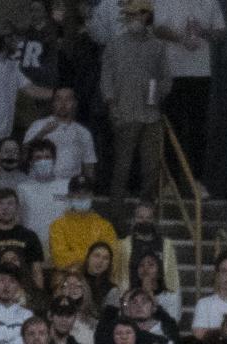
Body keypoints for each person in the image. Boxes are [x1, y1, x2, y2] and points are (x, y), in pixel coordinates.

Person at [99, 2, 169, 203]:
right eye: (128, 15)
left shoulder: (157, 46)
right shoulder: (115, 44)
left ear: (147, 15)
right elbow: (106, 77)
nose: (131, 19)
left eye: (135, 14)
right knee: (122, 166)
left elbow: (166, 78)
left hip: (151, 115)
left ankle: (146, 210)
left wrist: (158, 94)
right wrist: (112, 105)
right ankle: (116, 216)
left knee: (151, 167)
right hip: (124, 113)